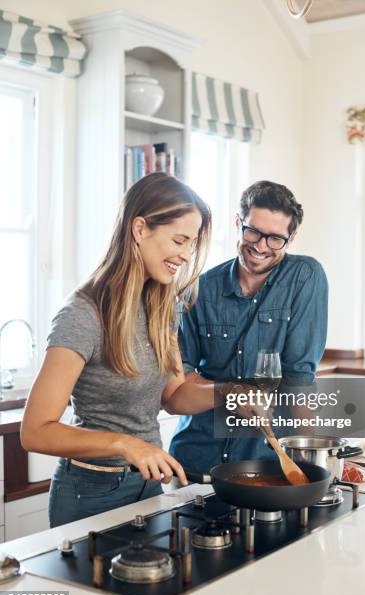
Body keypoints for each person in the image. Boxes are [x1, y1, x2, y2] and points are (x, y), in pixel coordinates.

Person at [21, 173, 232, 527]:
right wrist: (125, 444)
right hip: (90, 492)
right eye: (179, 240)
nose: (185, 254)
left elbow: (174, 395)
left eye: (191, 244)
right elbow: (35, 430)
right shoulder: (83, 314)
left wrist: (230, 393)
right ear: (139, 229)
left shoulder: (161, 305)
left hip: (147, 487)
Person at [169, 180, 329, 473]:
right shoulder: (196, 290)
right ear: (238, 223)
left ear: (291, 239)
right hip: (197, 462)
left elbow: (298, 378)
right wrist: (231, 392)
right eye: (253, 231)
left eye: (275, 238)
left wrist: (317, 463)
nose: (260, 246)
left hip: (268, 464)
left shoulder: (305, 277)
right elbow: (177, 391)